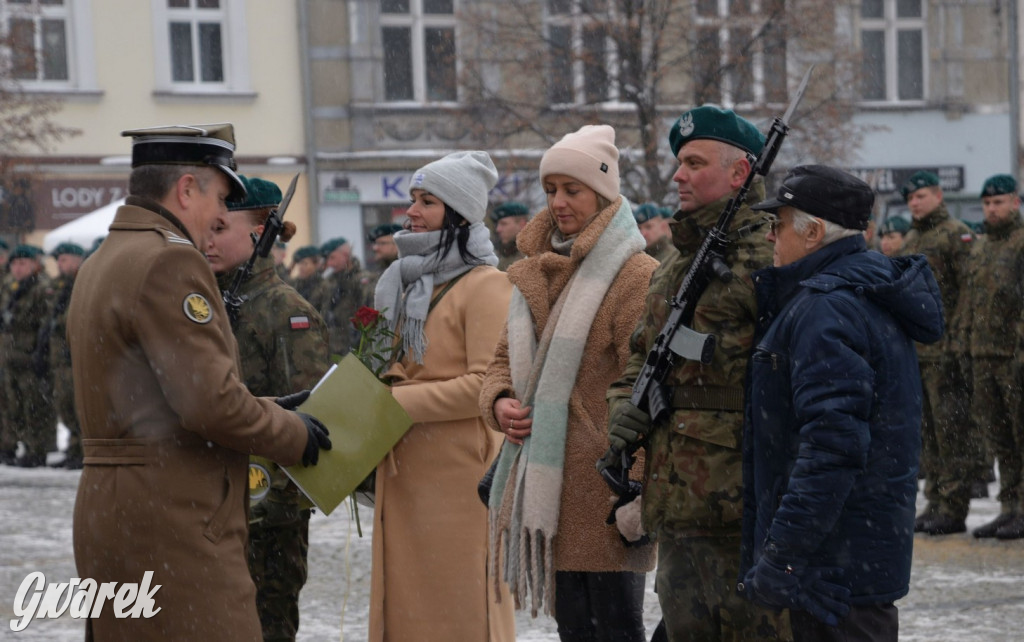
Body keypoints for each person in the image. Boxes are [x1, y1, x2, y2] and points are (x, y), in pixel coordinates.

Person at [66, 123, 332, 639]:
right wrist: (295, 434)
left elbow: (155, 396)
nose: (218, 218)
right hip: (174, 518)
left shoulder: (105, 259)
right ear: (187, 188)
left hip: (113, 510)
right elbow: (208, 405)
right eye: (219, 196)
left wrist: (273, 405)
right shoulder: (170, 259)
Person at [601, 106, 790, 641]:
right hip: (676, 506)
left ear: (741, 173)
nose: (678, 175)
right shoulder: (676, 264)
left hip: (743, 507)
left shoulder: (771, 258)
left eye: (694, 162)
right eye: (678, 162)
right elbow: (641, 353)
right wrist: (625, 408)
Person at [739, 165, 943, 641]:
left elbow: (832, 448)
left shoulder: (828, 307)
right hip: (850, 561)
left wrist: (783, 556)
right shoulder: (851, 292)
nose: (771, 237)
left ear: (811, 233)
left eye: (779, 224)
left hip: (831, 573)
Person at [481, 125, 657, 640]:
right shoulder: (533, 271)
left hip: (605, 491)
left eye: (572, 189)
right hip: (548, 487)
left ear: (602, 193)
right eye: (551, 189)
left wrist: (637, 486)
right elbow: (498, 364)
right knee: (577, 630)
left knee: (616, 630)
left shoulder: (634, 275)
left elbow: (645, 386)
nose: (558, 202)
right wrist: (499, 403)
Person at [369, 150, 515, 641]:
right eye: (412, 198)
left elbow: (485, 384)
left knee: (463, 608)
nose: (411, 211)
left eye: (427, 201)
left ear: (458, 213)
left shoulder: (487, 285)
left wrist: (395, 402)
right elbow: (387, 365)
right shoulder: (403, 283)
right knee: (410, 614)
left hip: (457, 478)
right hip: (405, 469)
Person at [206, 175, 331, 640]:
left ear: (259, 234)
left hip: (266, 514)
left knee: (265, 627)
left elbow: (309, 420)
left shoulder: (285, 312)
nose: (208, 239)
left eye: (220, 229)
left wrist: (268, 501)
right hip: (212, 499)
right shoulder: (210, 301)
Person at [898, 171, 982, 536]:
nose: (914, 203)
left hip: (946, 349)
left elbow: (969, 290)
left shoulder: (955, 234)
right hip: (918, 351)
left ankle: (954, 505)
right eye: (910, 199)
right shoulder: (912, 237)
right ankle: (934, 502)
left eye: (920, 197)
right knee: (928, 433)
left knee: (952, 432)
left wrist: (959, 340)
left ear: (937, 196)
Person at [964, 174, 1024, 538]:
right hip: (984, 355)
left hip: (1013, 356)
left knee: (1021, 435)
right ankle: (1010, 506)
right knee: (999, 438)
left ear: (1015, 203)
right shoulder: (983, 247)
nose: (992, 209)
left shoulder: (1020, 243)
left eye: (998, 202)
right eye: (987, 203)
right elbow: (973, 302)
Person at [0, 244, 55, 467]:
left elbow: (46, 324)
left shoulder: (41, 288)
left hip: (30, 357)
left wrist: (40, 354)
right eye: (14, 264)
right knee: (14, 406)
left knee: (36, 406)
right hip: (11, 357)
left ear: (34, 265)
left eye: (23, 264)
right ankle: (16, 446)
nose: (18, 268)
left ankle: (37, 450)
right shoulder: (11, 288)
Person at [39, 242, 86, 469]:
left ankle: (82, 450)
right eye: (58, 260)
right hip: (59, 358)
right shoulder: (61, 285)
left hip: (74, 357)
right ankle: (74, 448)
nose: (59, 264)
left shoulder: (82, 283)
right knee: (64, 405)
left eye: (64, 259)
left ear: (78, 259)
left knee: (79, 406)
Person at [319, 236, 365, 359]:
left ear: (346, 254)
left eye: (332, 258)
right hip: (332, 348)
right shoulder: (330, 282)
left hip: (353, 350)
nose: (329, 263)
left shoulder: (361, 281)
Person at [363, 222, 403, 295]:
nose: (375, 248)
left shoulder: (405, 273)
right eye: (375, 243)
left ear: (398, 245)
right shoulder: (378, 273)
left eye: (382, 243)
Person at [491, 200, 529, 270]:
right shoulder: (503, 254)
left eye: (503, 224)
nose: (498, 229)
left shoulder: (532, 255)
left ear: (522, 224)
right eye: (498, 224)